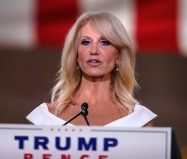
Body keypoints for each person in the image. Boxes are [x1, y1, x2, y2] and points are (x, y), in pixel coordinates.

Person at [27, 11, 156, 127]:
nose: (94, 51)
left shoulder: (139, 121)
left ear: (119, 56)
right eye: (86, 42)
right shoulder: (46, 118)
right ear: (75, 56)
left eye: (104, 42)